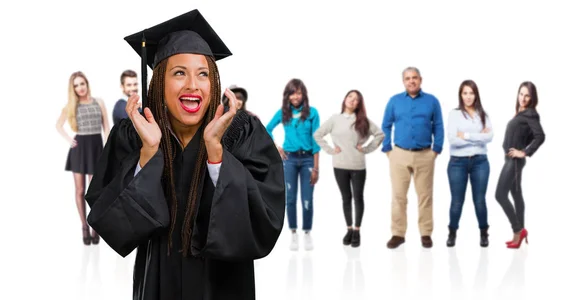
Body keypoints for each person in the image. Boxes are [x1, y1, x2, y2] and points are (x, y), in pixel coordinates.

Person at [84, 9, 285, 300]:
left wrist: (217, 156)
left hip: (224, 285)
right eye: (180, 73)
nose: (193, 85)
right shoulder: (135, 135)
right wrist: (148, 154)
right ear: (159, 82)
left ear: (214, 83)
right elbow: (113, 223)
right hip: (158, 281)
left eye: (203, 74)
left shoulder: (241, 132)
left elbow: (265, 221)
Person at [381, 67, 444, 249]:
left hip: (425, 155)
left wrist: (436, 150)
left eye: (414, 78)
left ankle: (425, 233)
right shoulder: (394, 101)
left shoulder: (432, 101)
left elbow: (438, 126)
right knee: (398, 196)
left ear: (421, 79)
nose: (411, 81)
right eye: (408, 78)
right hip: (399, 154)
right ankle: (398, 234)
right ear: (403, 81)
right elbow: (386, 125)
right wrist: (388, 150)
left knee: (425, 196)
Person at [313, 90, 384, 248]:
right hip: (339, 165)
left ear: (359, 104)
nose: (353, 101)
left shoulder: (362, 120)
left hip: (358, 165)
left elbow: (379, 134)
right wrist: (331, 150)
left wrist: (365, 149)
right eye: (350, 97)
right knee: (346, 198)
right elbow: (318, 135)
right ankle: (349, 229)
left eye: (356, 99)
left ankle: (357, 230)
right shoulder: (335, 119)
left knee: (358, 197)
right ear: (345, 99)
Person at [55, 71, 110, 245]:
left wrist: (108, 149)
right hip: (80, 149)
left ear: (87, 83)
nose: (80, 88)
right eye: (76, 85)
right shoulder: (71, 106)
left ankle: (95, 226)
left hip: (96, 147)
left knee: (93, 192)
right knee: (79, 190)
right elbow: (58, 125)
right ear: (73, 88)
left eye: (82, 84)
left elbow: (106, 127)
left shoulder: (99, 102)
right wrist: (69, 139)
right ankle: (84, 226)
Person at [265, 78, 320, 251]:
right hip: (289, 159)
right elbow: (267, 129)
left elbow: (316, 140)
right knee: (290, 198)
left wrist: (316, 168)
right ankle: (294, 233)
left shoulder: (312, 113)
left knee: (307, 199)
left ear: (303, 94)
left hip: (307, 160)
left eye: (298, 92)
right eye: (292, 93)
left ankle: (307, 232)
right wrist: (277, 147)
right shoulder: (283, 112)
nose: (295, 96)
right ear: (287, 96)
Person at [495, 81, 545, 249]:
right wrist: (523, 146)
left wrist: (523, 152)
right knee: (516, 194)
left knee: (500, 195)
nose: (523, 98)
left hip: (515, 161)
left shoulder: (530, 114)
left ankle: (518, 230)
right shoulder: (521, 113)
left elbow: (540, 136)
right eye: (521, 94)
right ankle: (519, 234)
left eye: (527, 95)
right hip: (510, 159)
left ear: (532, 98)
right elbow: (530, 135)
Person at [445, 80, 493, 248]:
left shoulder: (483, 114)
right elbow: (452, 139)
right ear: (460, 95)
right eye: (465, 93)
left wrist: (464, 135)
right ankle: (452, 232)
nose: (468, 96)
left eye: (471, 93)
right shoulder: (454, 114)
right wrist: (477, 136)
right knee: (457, 201)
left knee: (480, 200)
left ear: (476, 95)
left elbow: (489, 137)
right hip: (458, 162)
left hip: (480, 161)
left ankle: (484, 232)